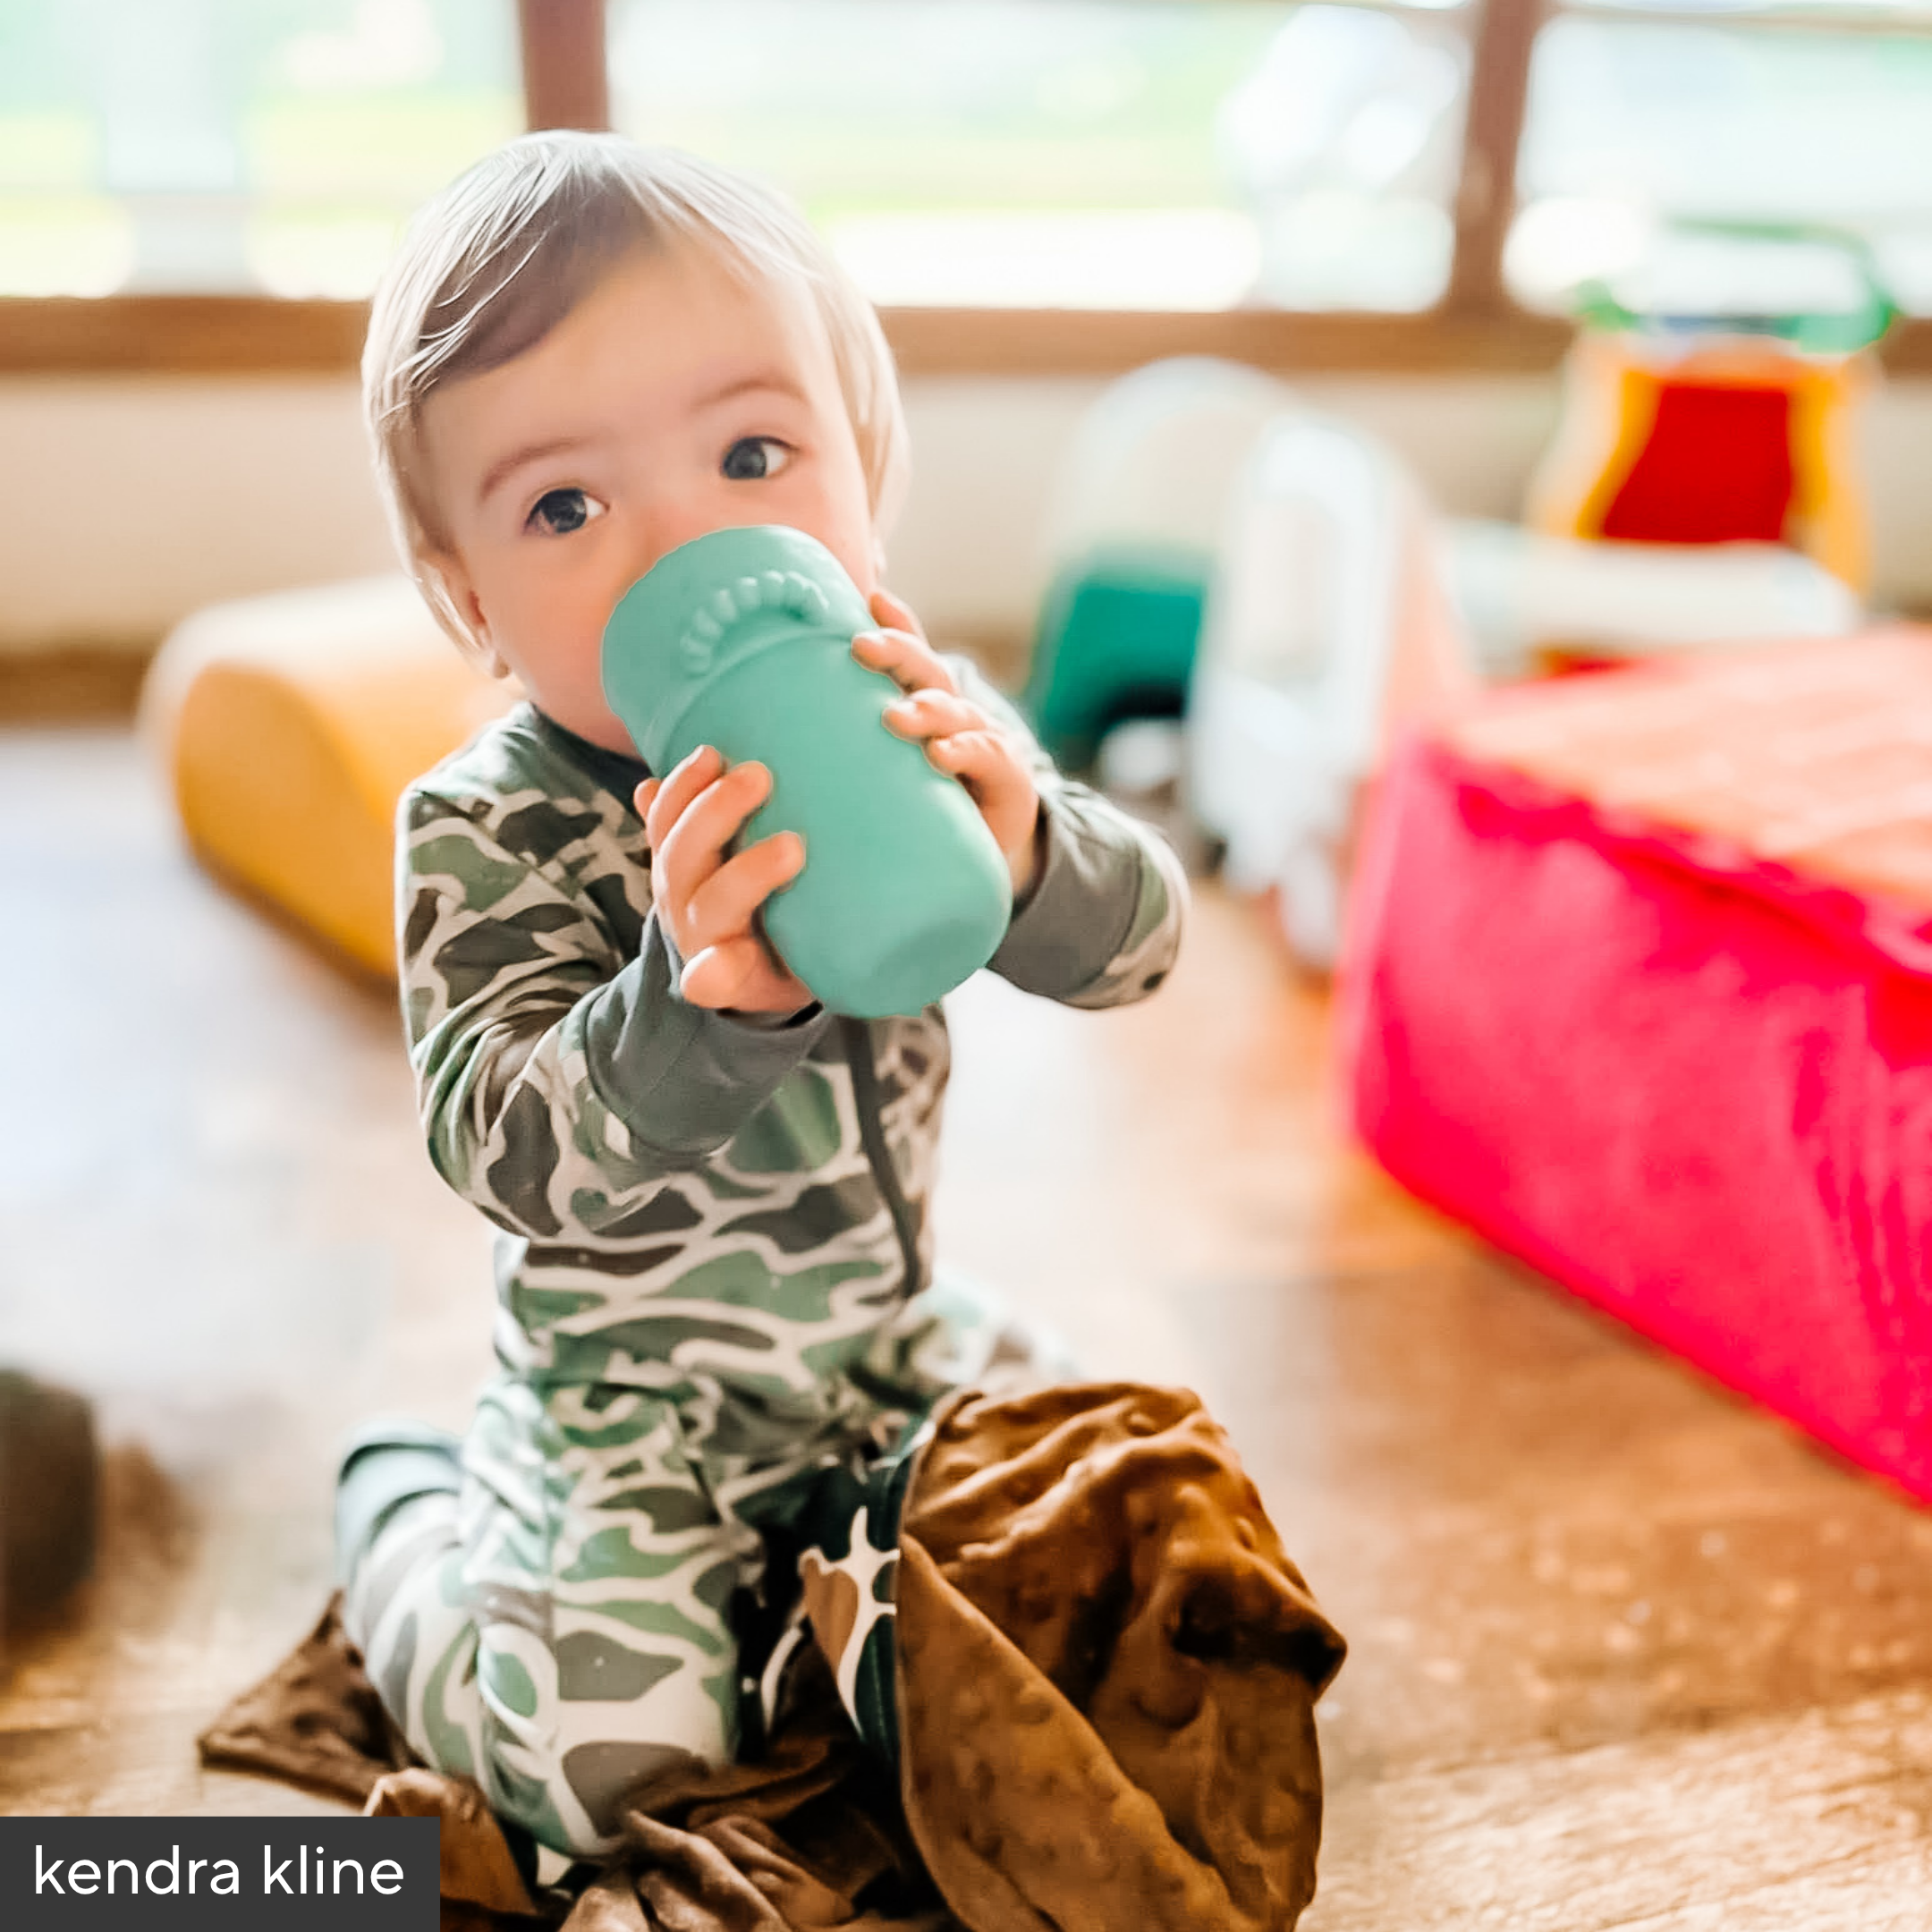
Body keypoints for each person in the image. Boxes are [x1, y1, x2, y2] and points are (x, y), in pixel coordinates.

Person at [336, 129, 1187, 1864]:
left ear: (863, 471)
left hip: (886, 1337)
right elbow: (496, 1146)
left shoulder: (902, 706)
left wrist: (1029, 855)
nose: (685, 545)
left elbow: (1150, 949)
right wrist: (688, 1009)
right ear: (468, 598)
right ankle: (410, 1520)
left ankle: (835, 1612)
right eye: (567, 506)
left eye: (751, 453)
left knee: (1125, 1538)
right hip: (631, 1403)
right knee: (609, 1784)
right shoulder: (484, 826)